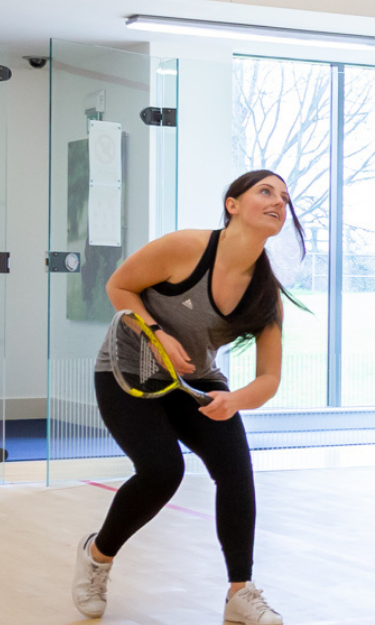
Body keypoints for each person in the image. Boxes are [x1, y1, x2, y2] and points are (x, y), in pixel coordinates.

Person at [71, 170, 302, 625]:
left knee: (236, 472)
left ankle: (240, 592)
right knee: (161, 470)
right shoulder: (186, 248)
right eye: (265, 191)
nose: (279, 201)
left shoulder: (265, 291)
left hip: (196, 379)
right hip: (129, 371)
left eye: (285, 197)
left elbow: (269, 377)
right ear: (233, 204)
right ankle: (96, 556)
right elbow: (119, 286)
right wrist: (156, 334)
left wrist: (234, 400)